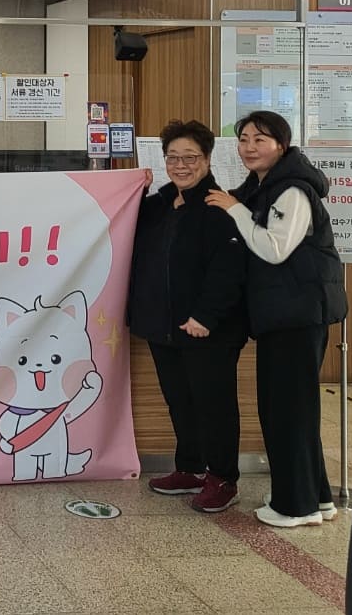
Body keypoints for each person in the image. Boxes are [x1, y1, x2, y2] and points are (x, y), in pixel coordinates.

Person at [206, 110, 347, 528]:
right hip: (284, 315)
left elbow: (273, 248)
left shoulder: (292, 191)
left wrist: (235, 210)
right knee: (293, 409)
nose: (249, 147)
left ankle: (294, 506)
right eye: (244, 139)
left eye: (260, 140)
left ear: (281, 146)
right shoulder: (264, 185)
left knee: (287, 411)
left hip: (296, 317)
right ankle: (314, 497)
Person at [128, 120, 246, 514]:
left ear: (207, 159)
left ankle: (223, 478)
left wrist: (206, 316)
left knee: (214, 404)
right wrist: (135, 188)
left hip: (207, 329)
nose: (181, 165)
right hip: (164, 326)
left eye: (190, 157)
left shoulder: (219, 207)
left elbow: (229, 270)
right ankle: (191, 468)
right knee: (180, 400)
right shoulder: (160, 205)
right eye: (173, 158)